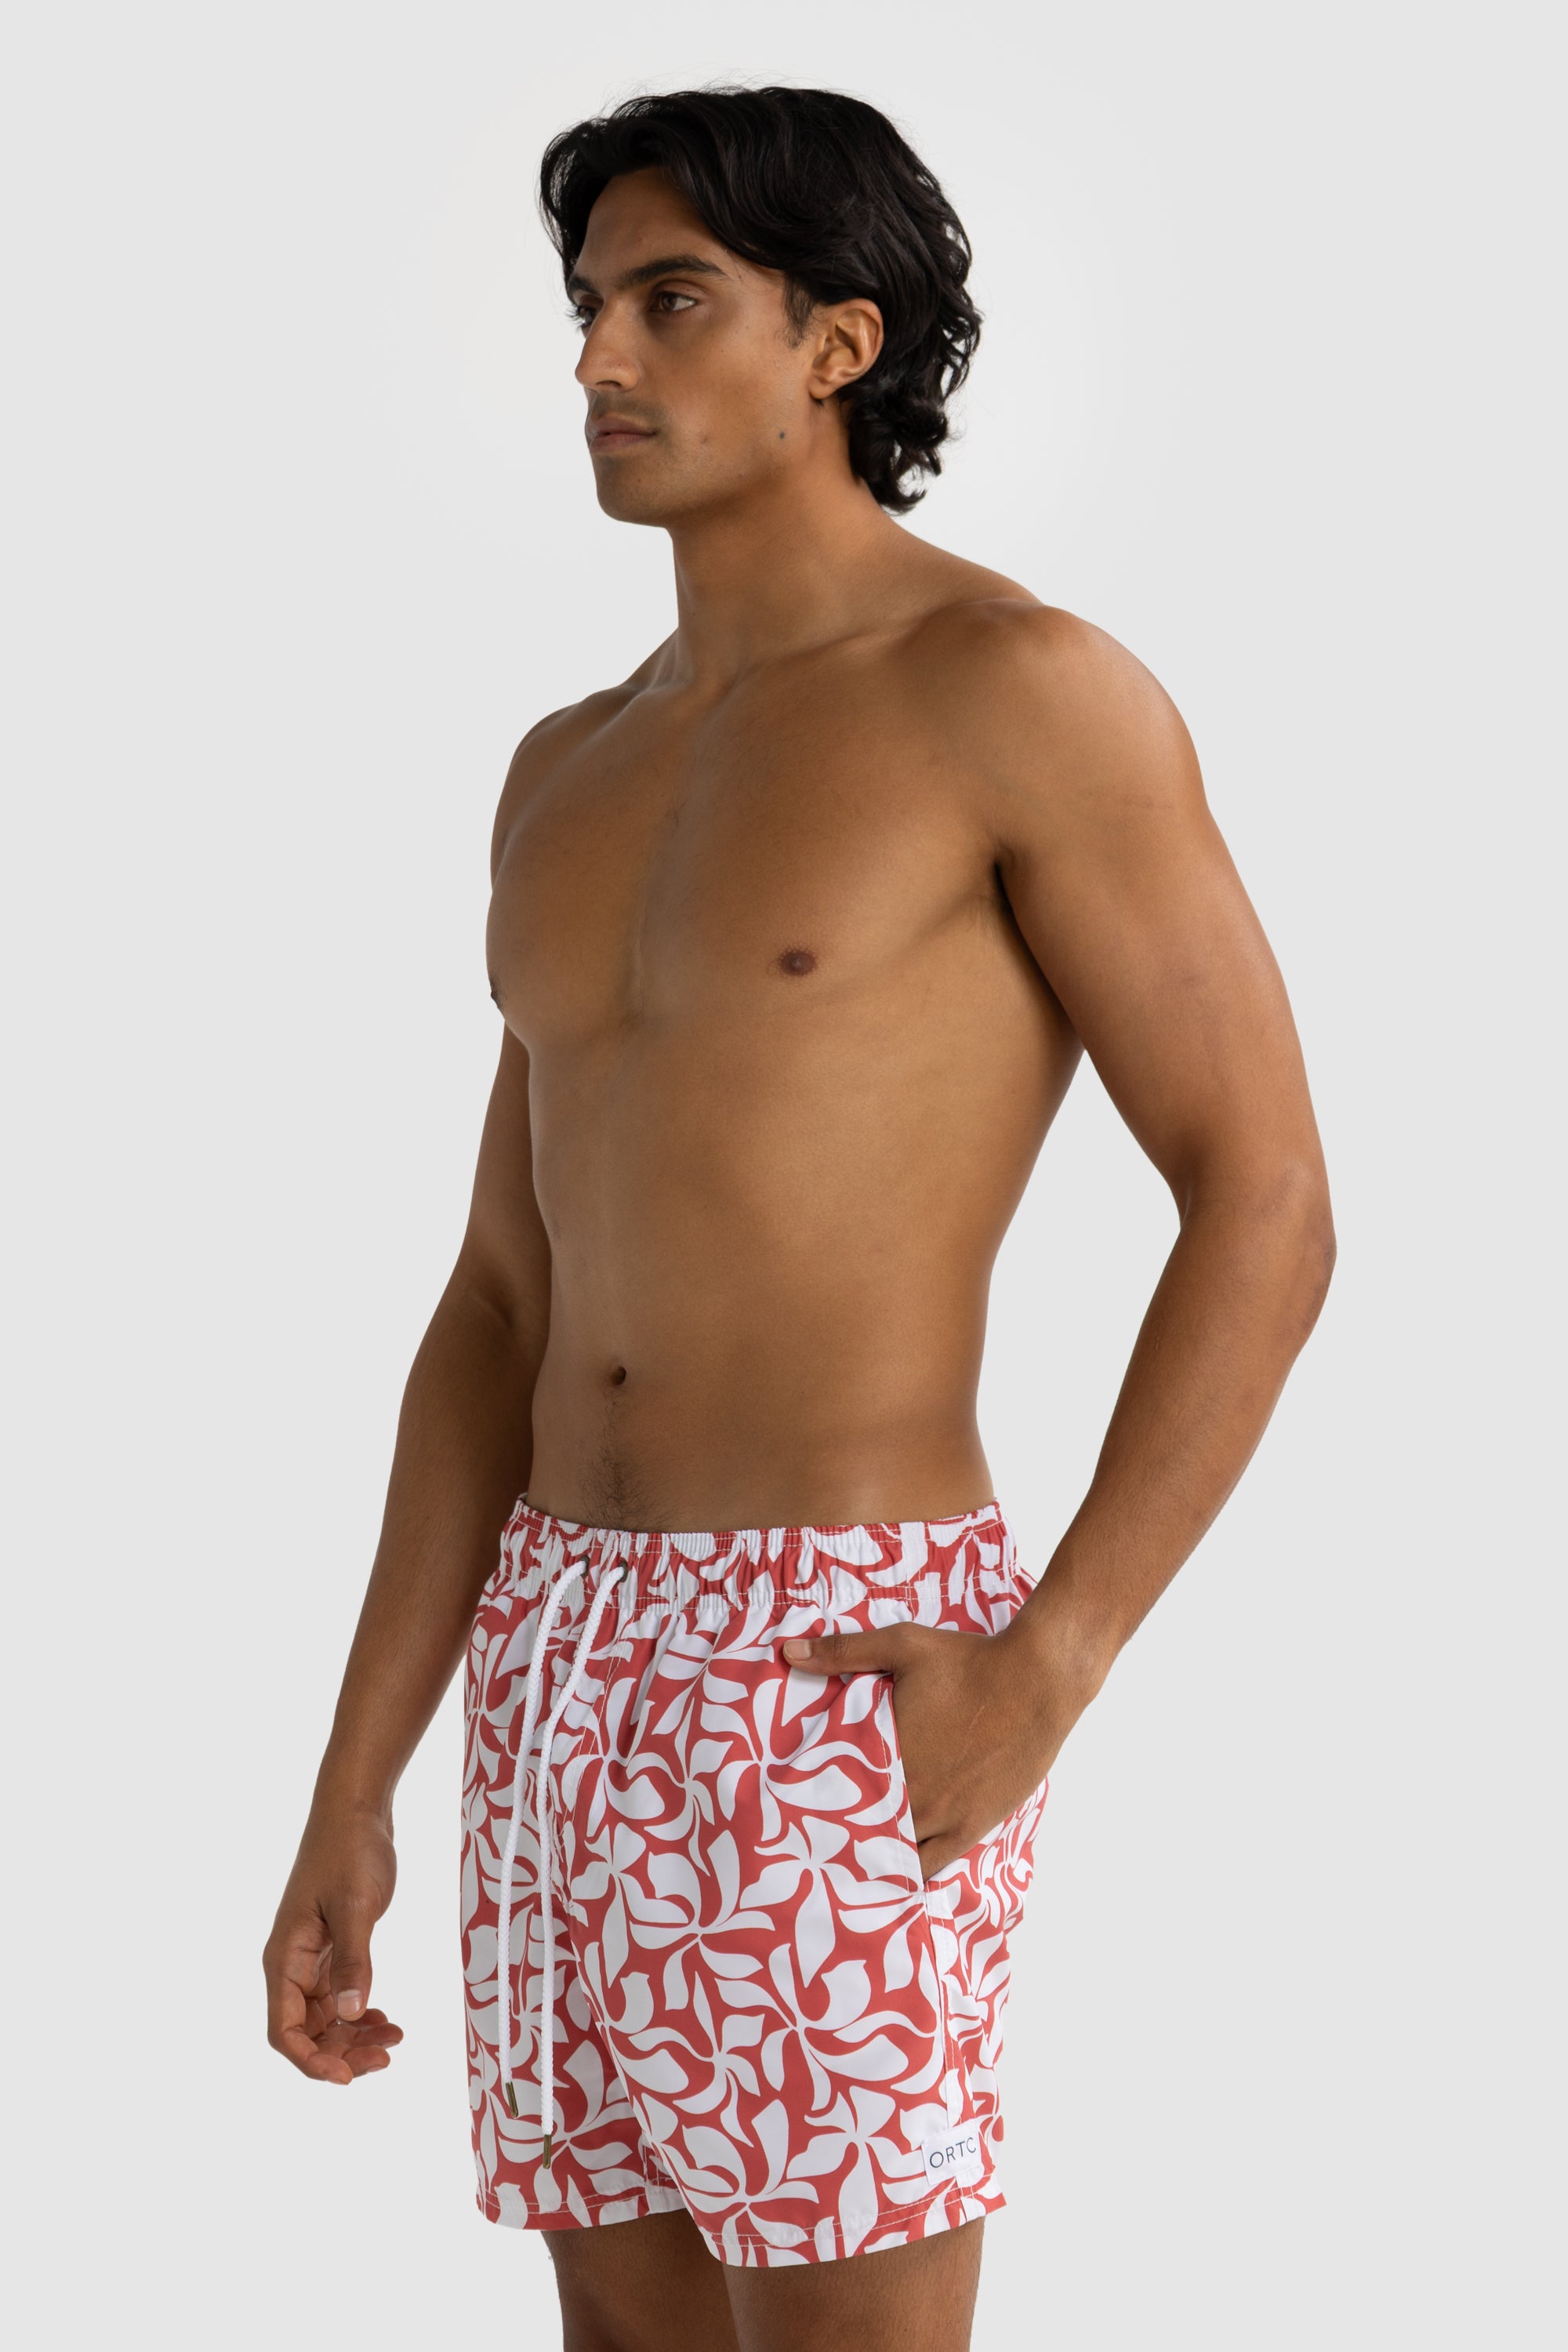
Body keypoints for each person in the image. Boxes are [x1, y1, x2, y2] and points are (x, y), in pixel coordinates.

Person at [263, 85, 1334, 2352]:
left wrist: (1053, 1662)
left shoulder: (1019, 694)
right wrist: (360, 1777)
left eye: (672, 303)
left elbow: (1264, 1195)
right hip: (556, 1652)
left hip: (836, 1658)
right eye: (586, 308)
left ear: (839, 344)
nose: (598, 361)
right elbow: (495, 1305)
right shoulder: (564, 765)